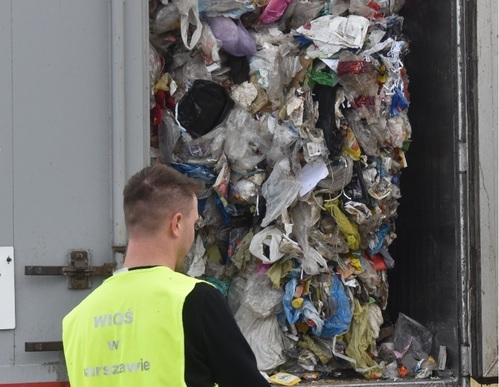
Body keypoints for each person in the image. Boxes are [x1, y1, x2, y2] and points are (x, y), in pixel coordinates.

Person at [62, 164, 270, 386]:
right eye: (195, 223)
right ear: (177, 224)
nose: (193, 232)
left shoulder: (76, 319)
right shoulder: (195, 300)